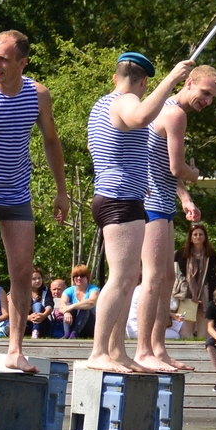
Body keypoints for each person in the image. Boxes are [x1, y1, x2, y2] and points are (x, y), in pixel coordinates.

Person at [0, 31, 70, 373]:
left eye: (3, 59)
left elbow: (51, 141)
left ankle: (15, 350)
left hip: (17, 191)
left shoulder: (37, 95)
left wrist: (61, 190)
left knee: (21, 272)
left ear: (22, 63)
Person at [84, 51, 194, 373]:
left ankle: (116, 350)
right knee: (120, 278)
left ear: (115, 75)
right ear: (144, 81)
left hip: (120, 197)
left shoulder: (101, 105)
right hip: (118, 199)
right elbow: (141, 117)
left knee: (129, 276)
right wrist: (173, 78)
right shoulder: (123, 102)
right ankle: (98, 351)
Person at [139, 65, 216, 372]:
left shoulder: (164, 107)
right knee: (154, 278)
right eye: (205, 93)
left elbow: (163, 165)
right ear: (188, 83)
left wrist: (185, 197)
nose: (207, 101)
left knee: (168, 278)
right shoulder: (176, 114)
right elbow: (176, 168)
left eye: (212, 97)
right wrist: (195, 173)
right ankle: (146, 350)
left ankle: (158, 348)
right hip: (151, 203)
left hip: (160, 201)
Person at [174, 224, 216, 333]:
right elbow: (177, 271)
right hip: (188, 292)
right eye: (195, 234)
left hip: (205, 292)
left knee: (204, 324)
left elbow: (215, 273)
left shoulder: (211, 254)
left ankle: (202, 343)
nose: (198, 237)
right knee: (187, 323)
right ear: (190, 237)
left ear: (204, 237)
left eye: (200, 234)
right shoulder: (182, 253)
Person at [61, 266, 98, 339]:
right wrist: (66, 312)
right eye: (76, 276)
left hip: (89, 325)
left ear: (87, 277)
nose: (78, 278)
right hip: (73, 322)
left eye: (82, 276)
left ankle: (74, 333)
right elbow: (62, 305)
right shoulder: (69, 291)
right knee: (68, 305)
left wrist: (72, 306)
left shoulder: (94, 289)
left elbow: (91, 302)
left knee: (85, 308)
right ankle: (67, 334)